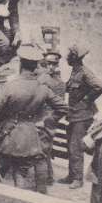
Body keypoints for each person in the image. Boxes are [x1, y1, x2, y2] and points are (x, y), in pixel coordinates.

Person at [0, 45, 68, 194]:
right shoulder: (43, 88)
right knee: (24, 171)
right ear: (35, 66)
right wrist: (45, 121)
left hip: (9, 133)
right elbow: (63, 108)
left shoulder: (10, 86)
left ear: (20, 64)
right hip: (31, 135)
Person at [60, 46, 102, 189]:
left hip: (83, 116)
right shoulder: (75, 71)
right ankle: (71, 176)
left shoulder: (85, 72)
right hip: (74, 115)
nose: (67, 57)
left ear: (75, 57)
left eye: (69, 55)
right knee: (70, 146)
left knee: (76, 147)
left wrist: (86, 100)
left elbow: (100, 86)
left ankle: (78, 179)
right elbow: (68, 87)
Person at [38, 51, 66, 185]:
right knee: (42, 148)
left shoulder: (59, 83)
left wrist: (51, 119)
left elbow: (61, 107)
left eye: (53, 64)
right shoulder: (40, 77)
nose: (50, 67)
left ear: (57, 65)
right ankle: (47, 177)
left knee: (44, 149)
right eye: (47, 63)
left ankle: (45, 178)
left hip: (47, 119)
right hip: (37, 116)